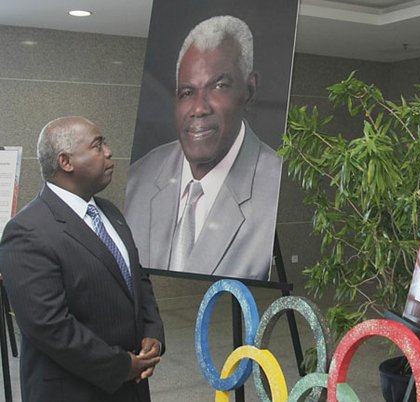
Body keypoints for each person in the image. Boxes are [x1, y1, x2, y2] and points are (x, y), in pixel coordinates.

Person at [0, 116, 165, 402]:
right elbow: (49, 326)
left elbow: (137, 277)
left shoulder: (110, 212)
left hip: (132, 384)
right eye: (97, 145)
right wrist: (121, 365)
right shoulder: (27, 231)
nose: (109, 151)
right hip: (74, 390)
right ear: (66, 162)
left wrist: (153, 333)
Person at [124, 16, 281, 280]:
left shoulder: (275, 188)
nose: (198, 108)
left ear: (250, 90)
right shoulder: (140, 178)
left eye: (219, 86)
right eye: (186, 92)